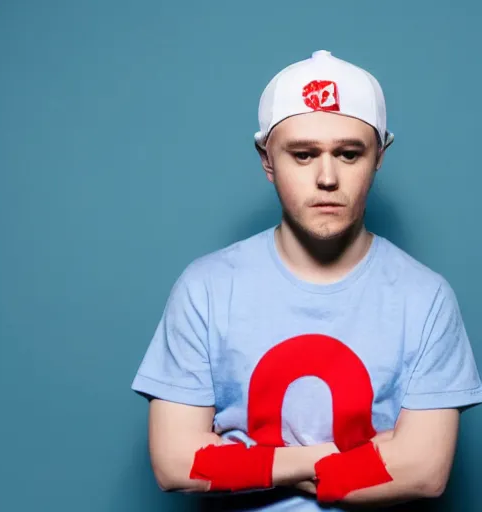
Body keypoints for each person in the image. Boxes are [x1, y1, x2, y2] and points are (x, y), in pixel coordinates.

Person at [131, 50, 482, 511]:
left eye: (349, 153)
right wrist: (330, 460)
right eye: (302, 154)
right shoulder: (206, 288)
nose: (327, 177)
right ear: (266, 159)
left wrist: (240, 462)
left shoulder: (425, 298)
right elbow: (177, 465)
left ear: (379, 157)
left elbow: (423, 473)